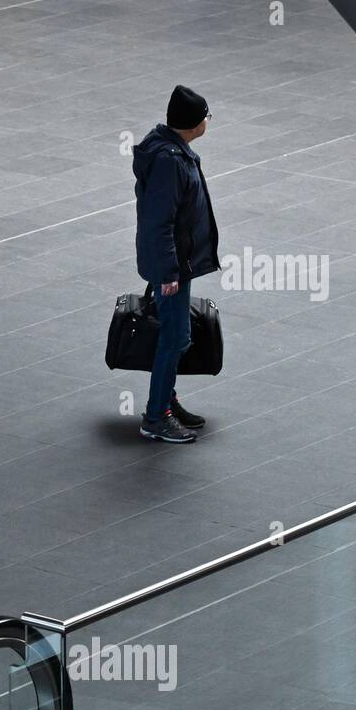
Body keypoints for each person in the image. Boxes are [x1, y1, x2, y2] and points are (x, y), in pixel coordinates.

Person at [132, 85, 220, 443]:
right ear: (192, 123)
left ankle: (167, 401)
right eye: (206, 116)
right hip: (172, 268)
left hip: (176, 263)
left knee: (176, 336)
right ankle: (157, 416)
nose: (208, 121)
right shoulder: (170, 161)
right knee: (175, 338)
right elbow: (160, 221)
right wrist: (169, 272)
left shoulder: (172, 150)